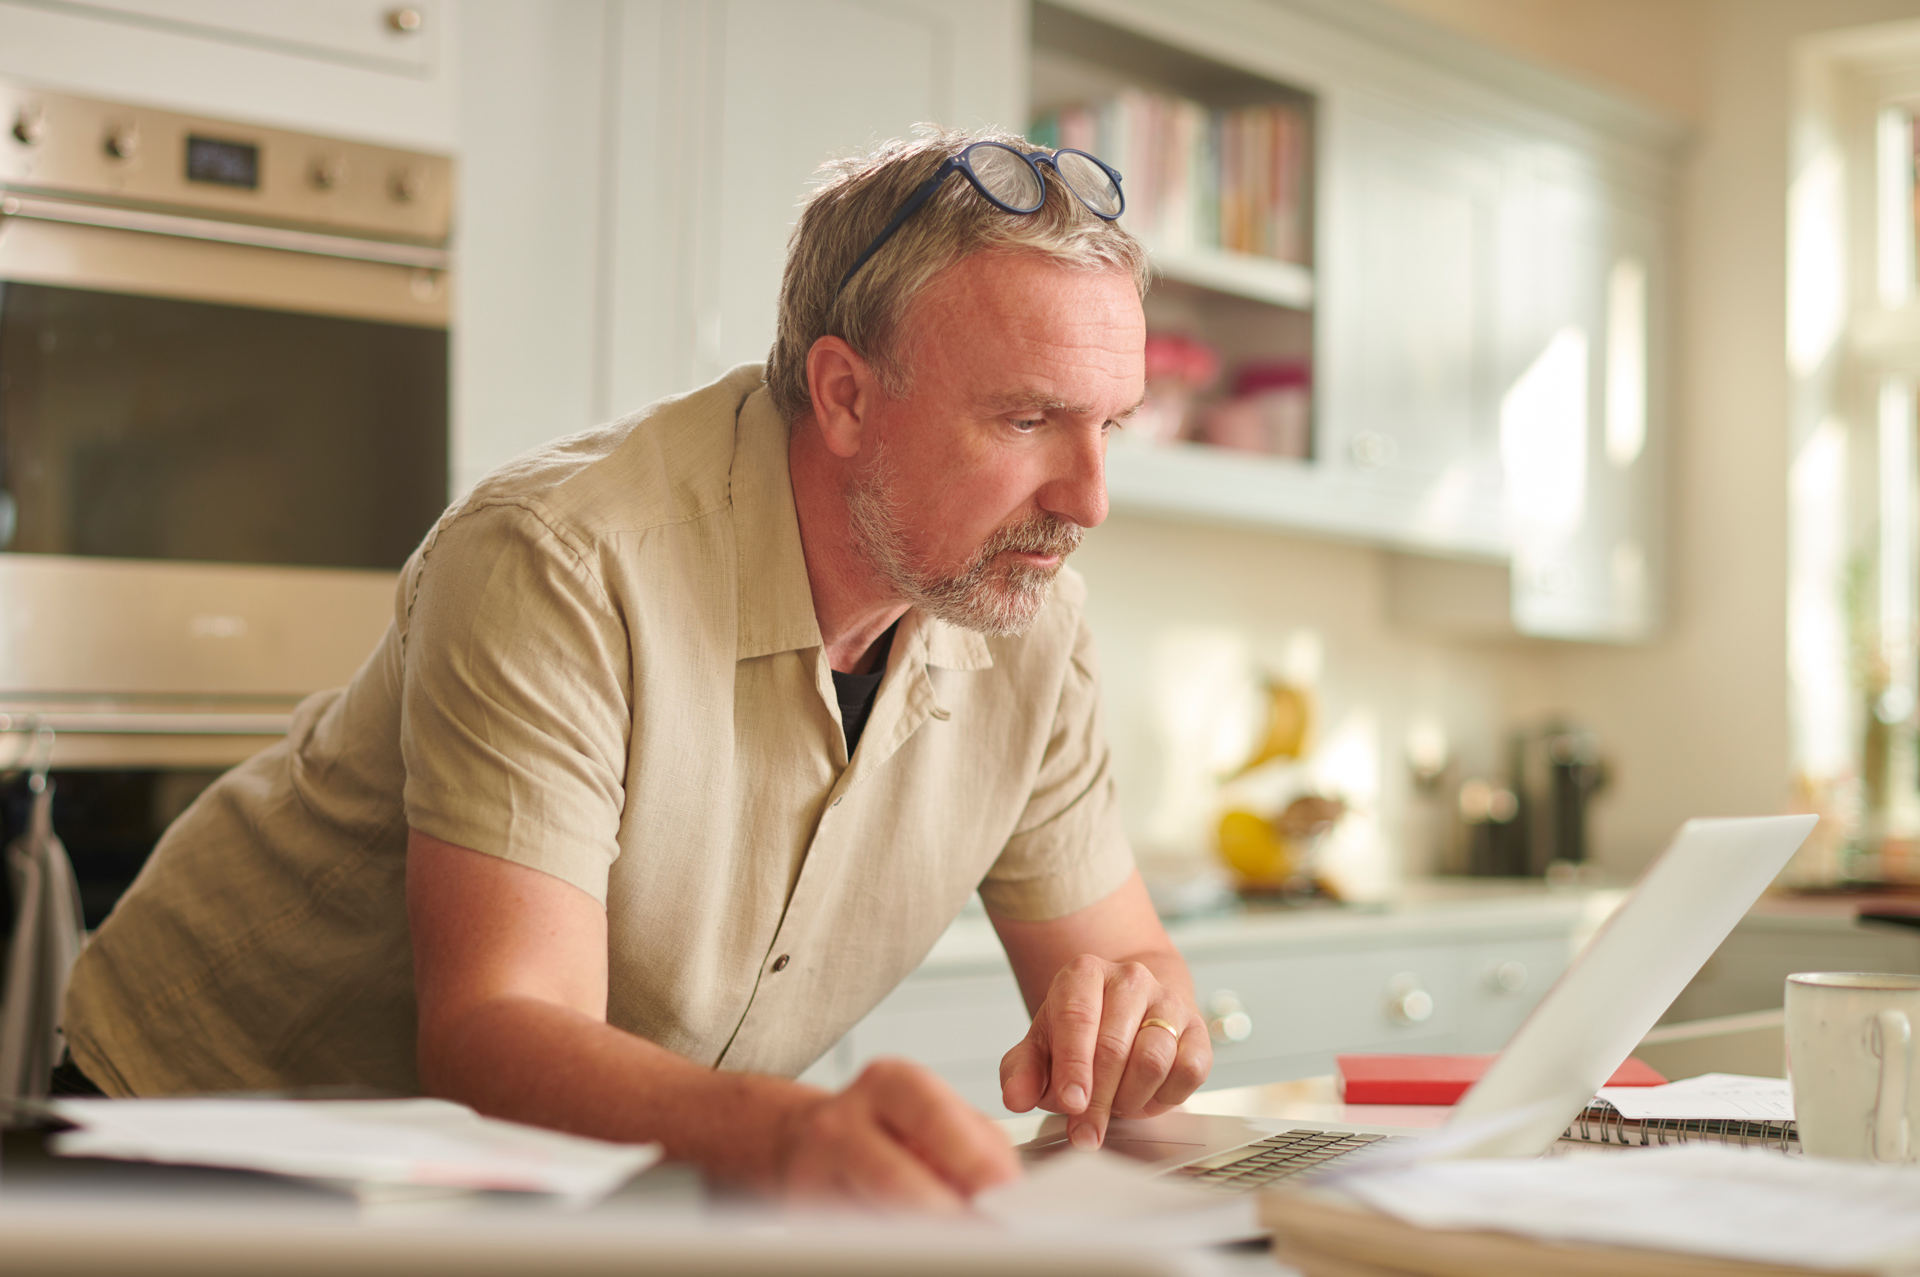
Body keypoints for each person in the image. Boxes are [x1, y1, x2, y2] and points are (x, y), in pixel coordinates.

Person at [60, 128, 1211, 1209]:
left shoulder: (1031, 622)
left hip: (544, 1184)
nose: (1088, 500)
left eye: (1111, 425)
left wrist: (1141, 1016)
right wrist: (784, 1137)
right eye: (1026, 421)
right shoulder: (563, 557)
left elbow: (1124, 960)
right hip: (202, 1132)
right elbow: (501, 1030)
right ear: (846, 395)